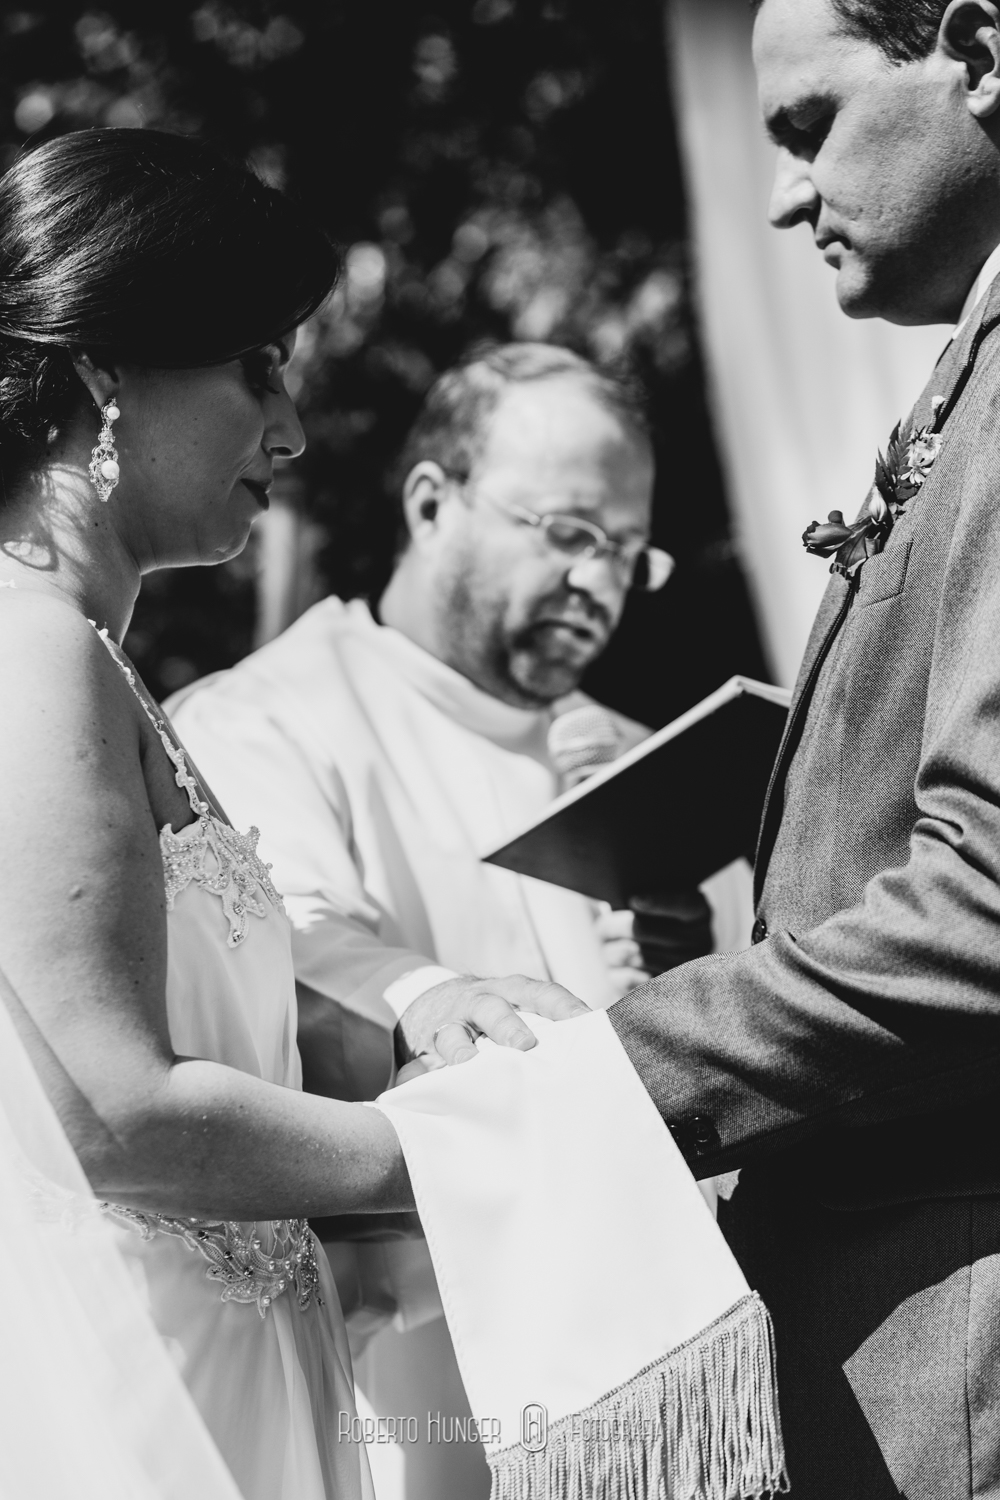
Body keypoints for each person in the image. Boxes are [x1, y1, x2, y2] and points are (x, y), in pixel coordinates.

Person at [0, 128, 584, 1500]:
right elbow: (120, 1116)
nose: (292, 432)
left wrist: (421, 1017)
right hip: (153, 1405)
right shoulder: (32, 656)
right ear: (105, 374)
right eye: (257, 368)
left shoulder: (95, 665)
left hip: (246, 1365)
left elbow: (208, 1006)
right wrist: (469, 1147)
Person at [169, 342, 752, 1499]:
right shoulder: (267, 720)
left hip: (656, 1348)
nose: (599, 583)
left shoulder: (628, 754)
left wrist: (687, 964)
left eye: (631, 555)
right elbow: (289, 966)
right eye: (572, 534)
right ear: (433, 503)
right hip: (422, 1371)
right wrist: (439, 1005)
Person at [601, 1, 1000, 1495]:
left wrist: (608, 1081)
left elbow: (988, 910)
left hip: (953, 1332)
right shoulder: (965, 379)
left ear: (978, 50)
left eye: (808, 124)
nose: (782, 194)